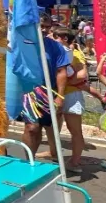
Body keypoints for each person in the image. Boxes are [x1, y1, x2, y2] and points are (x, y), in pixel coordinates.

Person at [20, 14, 72, 160]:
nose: (44, 30)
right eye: (41, 26)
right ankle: (29, 160)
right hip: (27, 92)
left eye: (47, 27)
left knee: (42, 127)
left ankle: (33, 158)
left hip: (49, 92)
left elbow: (61, 71)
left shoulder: (55, 46)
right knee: (32, 128)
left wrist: (60, 97)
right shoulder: (22, 43)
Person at [52, 28, 88, 173]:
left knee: (75, 130)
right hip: (55, 93)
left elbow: (82, 74)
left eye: (55, 36)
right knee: (53, 127)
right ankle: (53, 153)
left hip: (71, 95)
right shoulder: (54, 51)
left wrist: (67, 81)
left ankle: (75, 161)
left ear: (65, 38)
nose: (51, 38)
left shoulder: (76, 54)